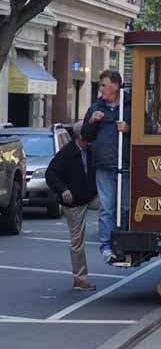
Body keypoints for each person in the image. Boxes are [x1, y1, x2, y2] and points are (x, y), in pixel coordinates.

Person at [82, 69, 130, 263]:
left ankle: (123, 243)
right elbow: (85, 135)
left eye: (103, 85)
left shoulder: (129, 107)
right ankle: (107, 246)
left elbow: (147, 130)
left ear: (115, 86)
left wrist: (129, 129)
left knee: (125, 207)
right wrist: (92, 122)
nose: (100, 89)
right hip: (104, 165)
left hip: (125, 164)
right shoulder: (95, 108)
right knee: (107, 208)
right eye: (100, 85)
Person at [45, 122, 99, 291]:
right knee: (77, 241)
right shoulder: (66, 153)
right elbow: (50, 174)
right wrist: (63, 190)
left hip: (90, 196)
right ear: (80, 137)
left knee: (111, 205)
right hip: (74, 201)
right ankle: (80, 278)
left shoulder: (90, 150)